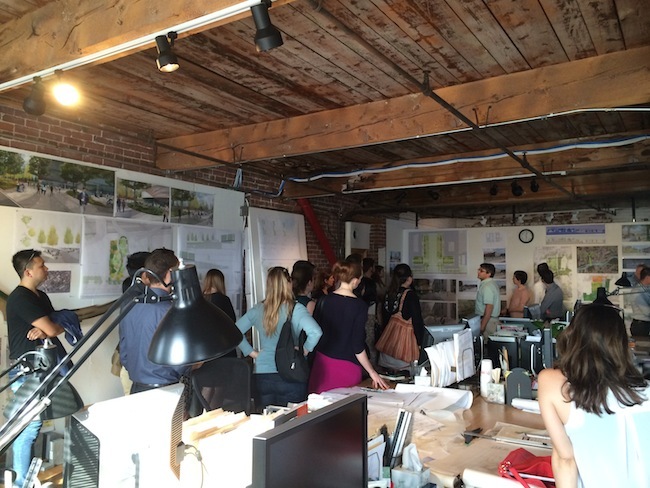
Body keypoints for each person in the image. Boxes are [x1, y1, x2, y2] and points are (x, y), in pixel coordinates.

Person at [538, 304, 650, 487]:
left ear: (572, 337)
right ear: (622, 344)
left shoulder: (554, 384)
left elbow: (565, 459)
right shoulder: (646, 392)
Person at [6, 249, 66, 486]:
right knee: (28, 427)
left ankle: (23, 481)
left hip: (42, 368)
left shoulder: (40, 296)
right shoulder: (20, 298)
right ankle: (20, 483)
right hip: (26, 371)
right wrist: (49, 328)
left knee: (33, 425)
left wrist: (49, 328)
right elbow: (53, 328)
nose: (46, 269)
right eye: (42, 266)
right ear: (28, 271)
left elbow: (58, 326)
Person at [236, 267, 322, 411]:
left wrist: (252, 353)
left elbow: (235, 331)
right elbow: (316, 332)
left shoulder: (258, 309)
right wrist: (305, 351)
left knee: (267, 421)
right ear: (288, 284)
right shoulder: (296, 309)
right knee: (294, 421)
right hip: (291, 372)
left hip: (263, 374)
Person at [309, 261, 388, 393]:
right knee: (346, 405)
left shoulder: (324, 300)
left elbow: (315, 332)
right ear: (355, 281)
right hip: (346, 366)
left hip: (322, 364)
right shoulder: (359, 306)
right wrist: (372, 372)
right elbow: (357, 346)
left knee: (320, 404)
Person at [119, 248, 189, 394]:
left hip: (136, 389)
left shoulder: (129, 306)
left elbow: (124, 355)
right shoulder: (171, 312)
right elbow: (180, 364)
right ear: (169, 274)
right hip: (166, 391)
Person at [378, 263, 425, 372]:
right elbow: (417, 321)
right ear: (409, 278)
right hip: (404, 349)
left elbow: (384, 319)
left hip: (387, 347)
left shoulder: (388, 294)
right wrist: (420, 342)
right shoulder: (410, 295)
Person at [202, 268, 238, 358]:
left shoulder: (200, 301)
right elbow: (232, 321)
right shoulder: (223, 299)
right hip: (224, 346)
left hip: (205, 349)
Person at [476, 262, 501, 337]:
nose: (478, 272)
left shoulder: (487, 286)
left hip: (488, 321)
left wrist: (482, 326)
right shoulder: (490, 284)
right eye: (479, 270)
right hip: (489, 320)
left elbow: (489, 307)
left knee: (486, 342)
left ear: (488, 274)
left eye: (481, 271)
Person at [630, 266, 650, 338]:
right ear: (647, 277)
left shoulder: (647, 289)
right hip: (640, 325)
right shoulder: (637, 291)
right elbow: (647, 311)